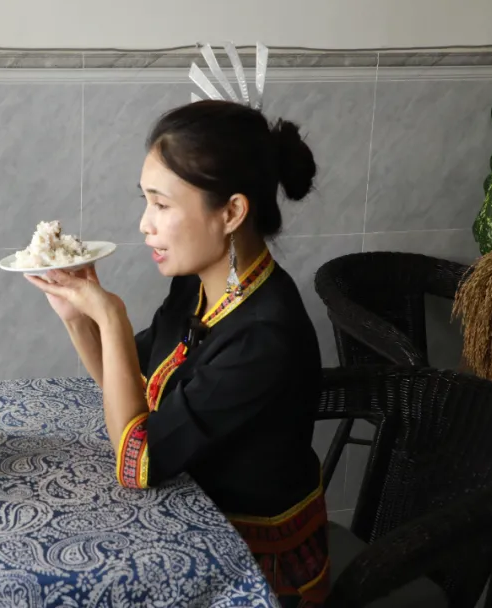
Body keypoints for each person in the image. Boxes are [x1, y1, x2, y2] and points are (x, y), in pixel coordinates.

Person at [26, 99, 327, 607]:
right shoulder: (196, 287)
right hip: (187, 524)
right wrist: (77, 317)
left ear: (231, 212)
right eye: (146, 202)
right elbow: (129, 385)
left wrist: (111, 318)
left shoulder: (263, 336)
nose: (145, 224)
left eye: (161, 205)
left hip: (250, 571)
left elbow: (137, 461)